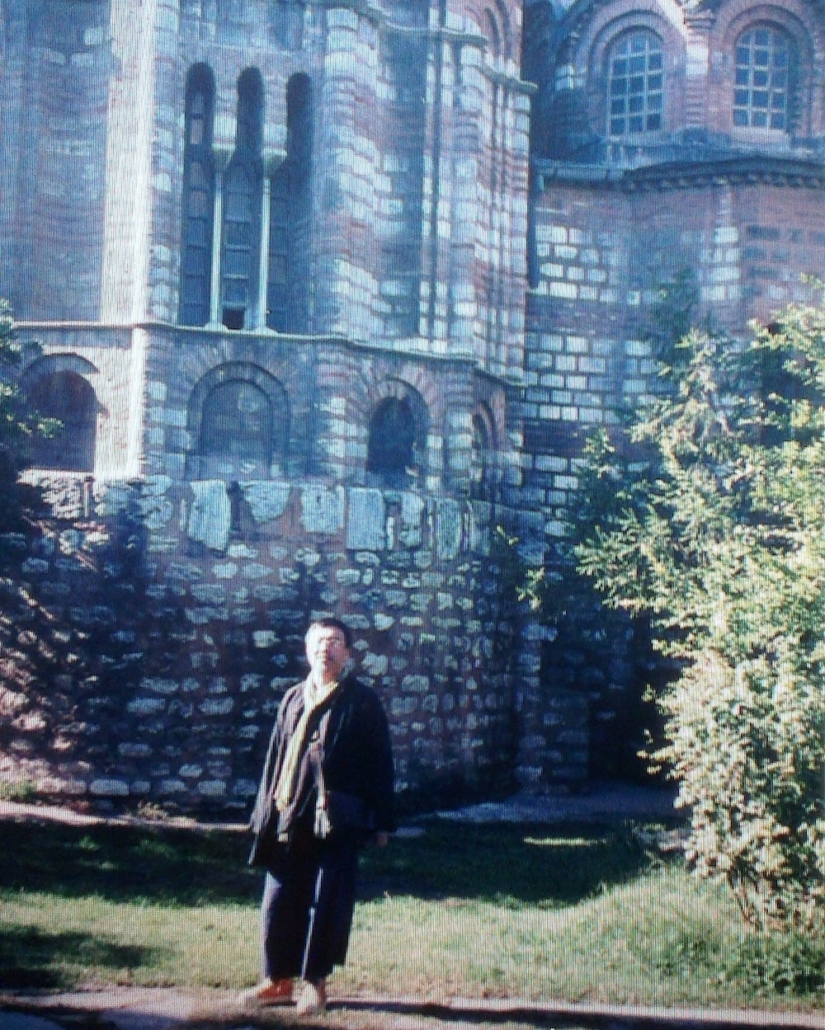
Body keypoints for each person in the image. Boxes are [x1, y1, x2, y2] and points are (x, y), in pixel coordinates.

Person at [244, 616, 396, 1014]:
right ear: (307, 649)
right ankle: (277, 980)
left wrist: (381, 820)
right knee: (279, 897)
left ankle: (315, 983)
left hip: (337, 818)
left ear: (347, 652)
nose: (325, 648)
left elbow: (380, 762)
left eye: (334, 641)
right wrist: (264, 812)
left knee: (326, 900)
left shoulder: (361, 702)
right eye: (318, 641)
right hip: (290, 811)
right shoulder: (294, 697)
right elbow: (276, 759)